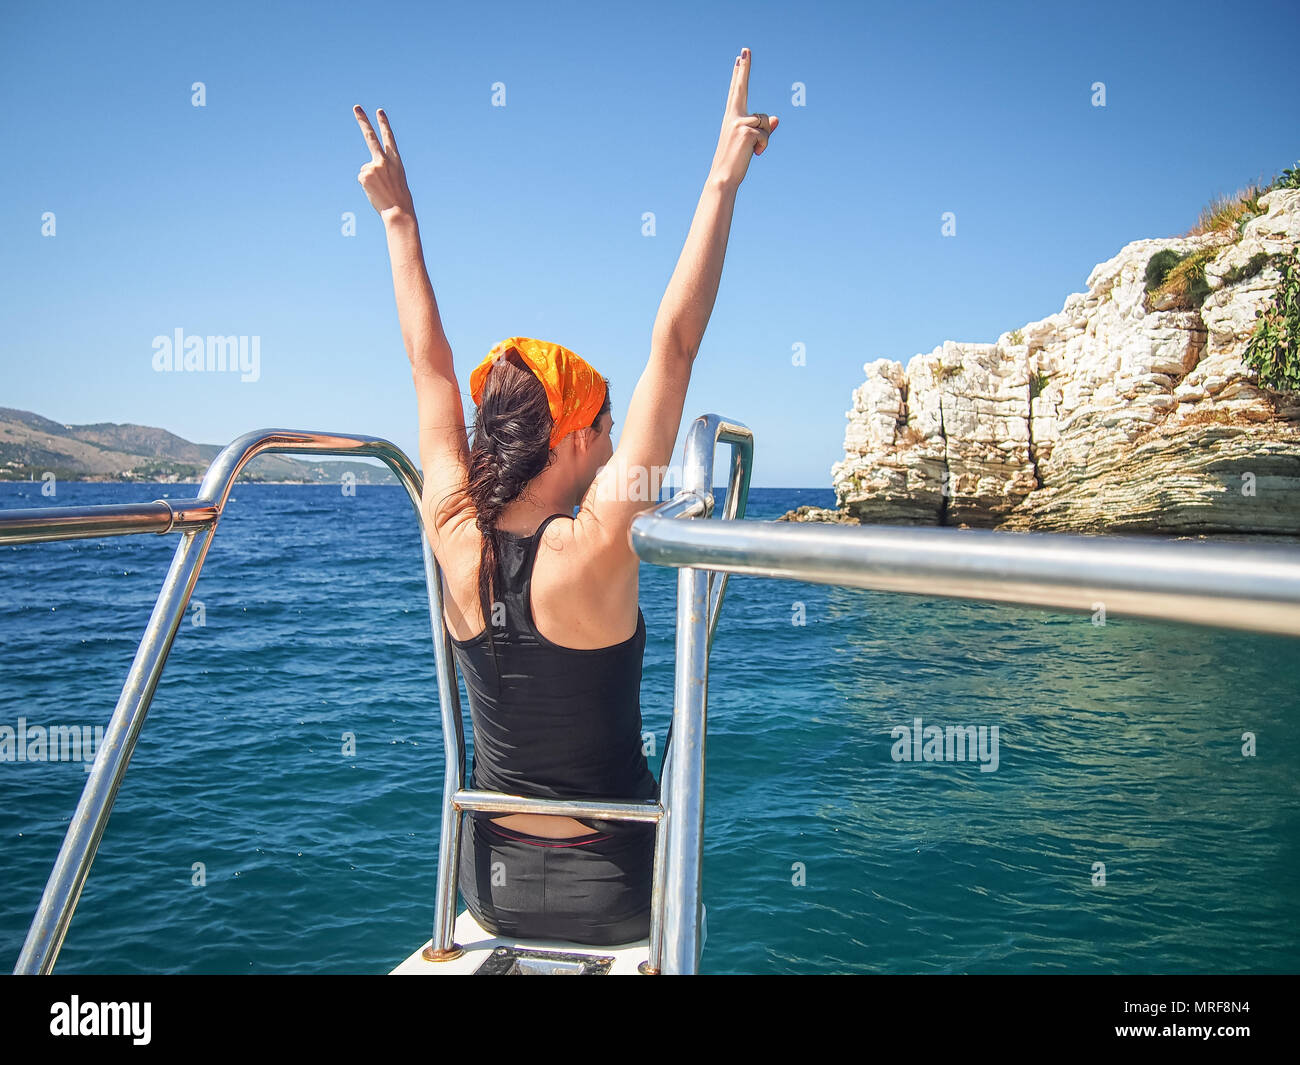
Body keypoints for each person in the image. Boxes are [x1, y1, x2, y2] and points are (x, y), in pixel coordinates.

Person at [353, 47, 776, 945]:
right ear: (575, 439)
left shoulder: (452, 528)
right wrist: (721, 178)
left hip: (491, 882)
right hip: (611, 885)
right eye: (610, 423)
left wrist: (397, 218)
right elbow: (678, 345)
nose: (621, 441)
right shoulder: (594, 548)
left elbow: (429, 369)